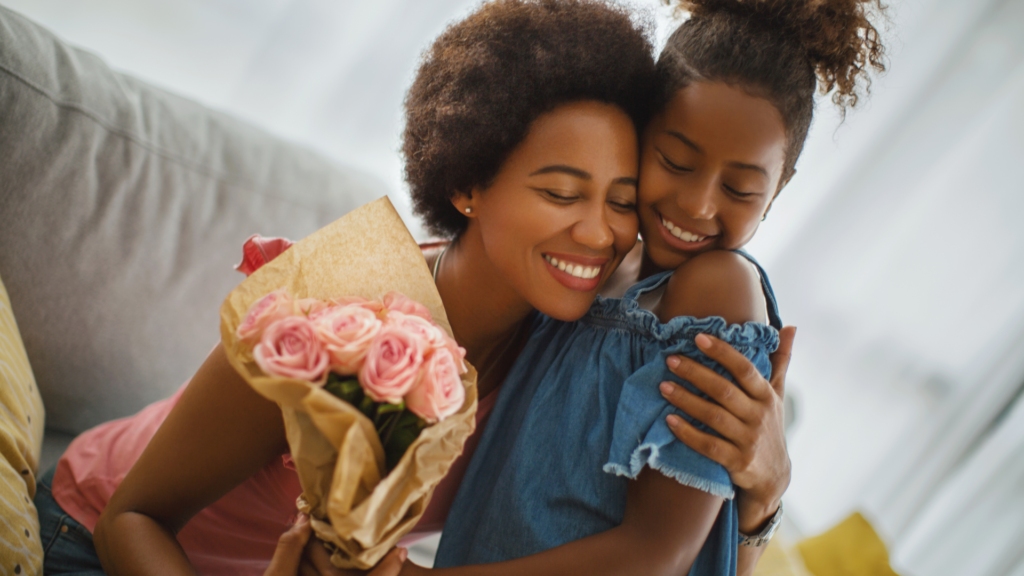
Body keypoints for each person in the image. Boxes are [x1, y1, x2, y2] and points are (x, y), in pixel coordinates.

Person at [33, 1, 796, 575]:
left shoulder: (568, 336)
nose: (599, 235)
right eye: (562, 193)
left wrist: (759, 495)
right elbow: (130, 517)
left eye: (621, 200)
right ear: (469, 183)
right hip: (95, 541)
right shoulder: (340, 303)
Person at [418, 0, 887, 575]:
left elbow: (656, 556)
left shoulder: (721, 292)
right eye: (674, 160)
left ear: (779, 188)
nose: (697, 204)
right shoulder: (591, 270)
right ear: (641, 132)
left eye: (740, 189)